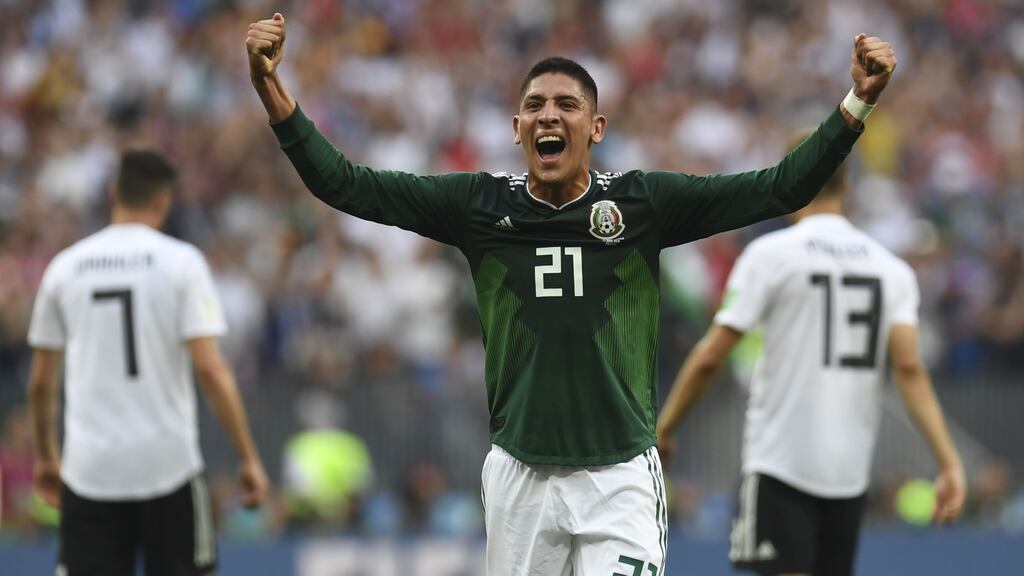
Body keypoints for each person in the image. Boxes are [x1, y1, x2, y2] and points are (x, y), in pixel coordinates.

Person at [247, 12, 896, 574]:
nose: (548, 115)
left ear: (596, 127)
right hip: (520, 474)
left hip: (618, 477)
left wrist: (856, 105)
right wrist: (270, 87)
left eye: (565, 105)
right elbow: (345, 184)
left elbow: (780, 188)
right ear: (516, 128)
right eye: (534, 106)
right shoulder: (478, 206)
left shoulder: (643, 204)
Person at [656, 130, 967, 576]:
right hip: (848, 474)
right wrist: (948, 461)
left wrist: (666, 428)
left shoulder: (771, 255)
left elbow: (710, 357)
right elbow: (909, 369)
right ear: (850, 184)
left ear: (791, 180)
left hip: (781, 463)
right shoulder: (890, 268)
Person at [27, 150, 270, 576]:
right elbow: (211, 370)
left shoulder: (64, 269)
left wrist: (48, 456)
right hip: (168, 466)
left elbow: (42, 383)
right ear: (163, 200)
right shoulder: (181, 262)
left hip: (91, 470)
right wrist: (247, 456)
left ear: (112, 193)